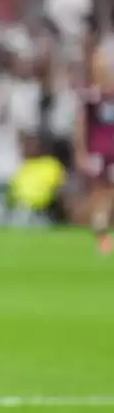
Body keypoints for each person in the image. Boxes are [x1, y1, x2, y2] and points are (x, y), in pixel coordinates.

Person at [75, 43, 114, 256]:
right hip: (99, 152)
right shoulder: (92, 97)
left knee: (108, 193)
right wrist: (81, 152)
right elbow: (81, 126)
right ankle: (101, 234)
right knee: (100, 192)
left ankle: (101, 229)